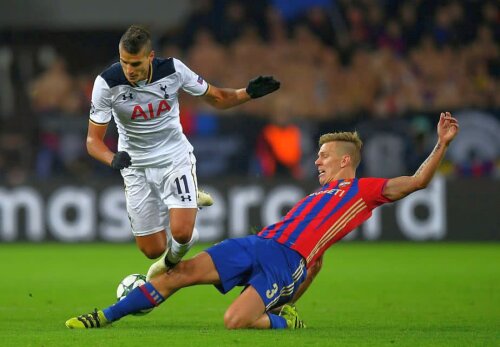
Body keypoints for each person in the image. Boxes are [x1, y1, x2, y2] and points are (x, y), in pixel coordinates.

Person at [66, 112, 459, 330]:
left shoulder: (364, 191)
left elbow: (419, 181)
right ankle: (102, 317)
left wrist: (440, 144)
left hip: (284, 262)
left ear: (344, 161)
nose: (317, 161)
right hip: (255, 244)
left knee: (235, 321)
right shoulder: (319, 196)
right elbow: (318, 264)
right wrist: (305, 277)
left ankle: (284, 323)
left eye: (324, 156)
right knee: (175, 274)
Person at [86, 25, 280, 273]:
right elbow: (93, 141)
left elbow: (217, 97)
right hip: (136, 166)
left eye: (136, 64)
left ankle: (170, 256)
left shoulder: (173, 70)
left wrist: (248, 93)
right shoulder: (106, 83)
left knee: (181, 232)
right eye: (124, 62)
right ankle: (185, 202)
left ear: (150, 57)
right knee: (151, 249)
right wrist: (112, 158)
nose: (129, 70)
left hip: (174, 157)